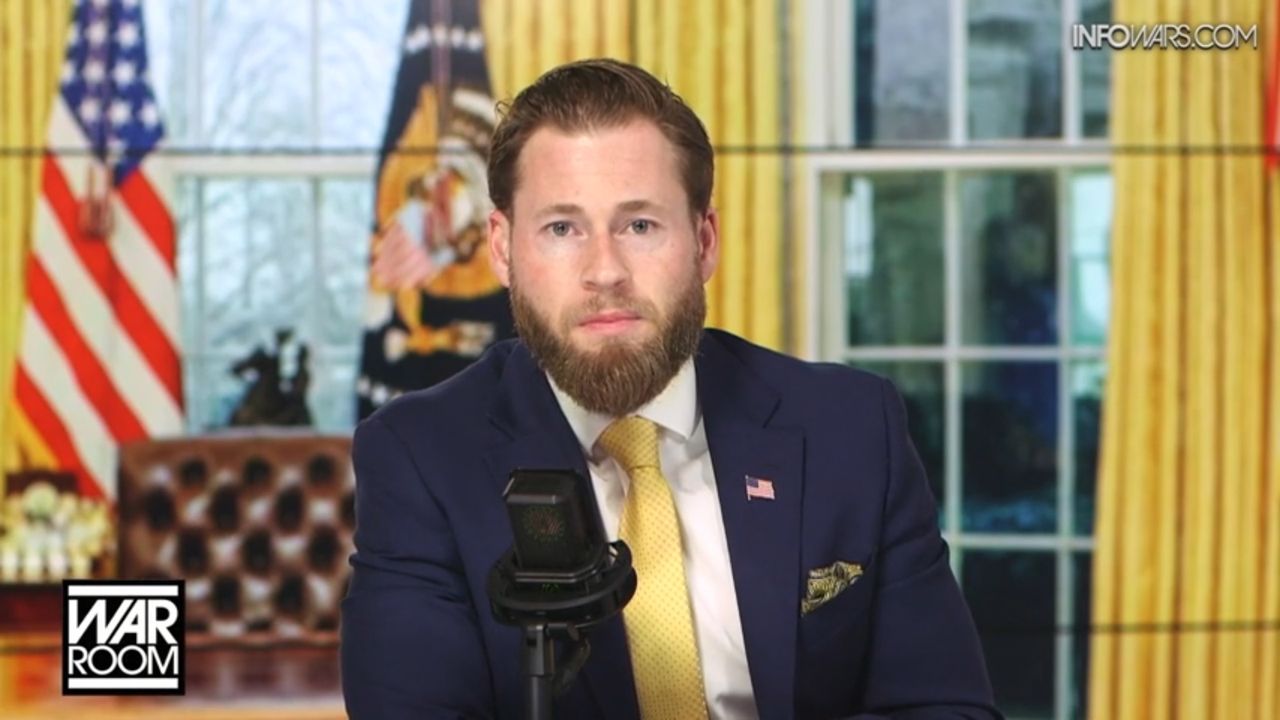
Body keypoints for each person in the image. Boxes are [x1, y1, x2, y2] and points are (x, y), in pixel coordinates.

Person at [341, 58, 1000, 720]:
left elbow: (946, 709)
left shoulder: (852, 428)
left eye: (640, 225)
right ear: (503, 248)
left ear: (704, 242)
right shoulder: (420, 457)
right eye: (562, 228)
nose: (605, 271)